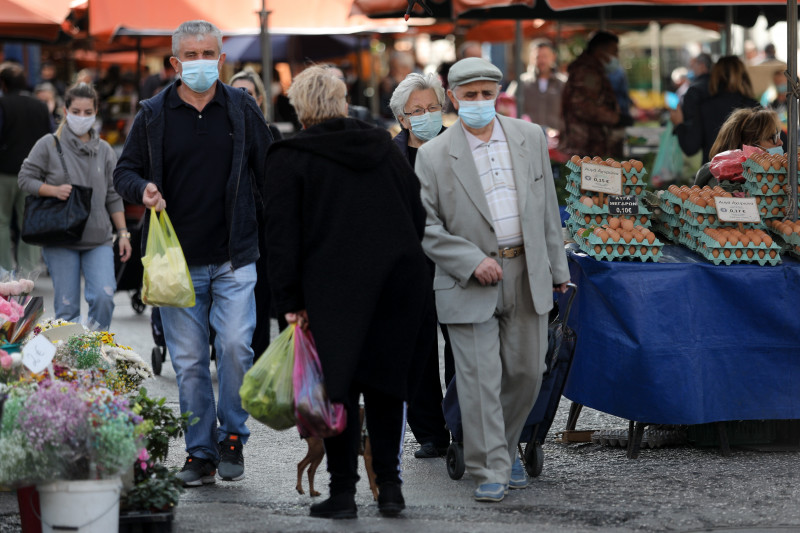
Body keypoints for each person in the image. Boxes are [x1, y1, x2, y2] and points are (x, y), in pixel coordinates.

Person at [265, 65, 435, 519]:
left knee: (337, 390)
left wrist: (289, 302)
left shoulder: (289, 156)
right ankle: (391, 488)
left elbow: (281, 238)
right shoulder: (381, 145)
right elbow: (416, 212)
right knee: (386, 387)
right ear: (342, 103)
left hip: (330, 292)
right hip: (398, 282)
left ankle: (342, 493)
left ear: (300, 108)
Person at [113, 19, 273, 487]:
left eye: (208, 54)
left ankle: (232, 436)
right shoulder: (154, 113)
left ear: (220, 59)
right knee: (188, 363)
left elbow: (271, 169)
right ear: (175, 63)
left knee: (236, 347)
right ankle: (200, 451)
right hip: (175, 262)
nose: (200, 63)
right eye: (191, 55)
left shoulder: (241, 107)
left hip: (233, 255)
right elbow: (124, 172)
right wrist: (142, 189)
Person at [415, 57, 570, 503]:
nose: (479, 102)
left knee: (527, 372)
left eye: (487, 94)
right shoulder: (433, 155)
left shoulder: (529, 136)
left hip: (526, 271)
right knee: (479, 379)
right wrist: (469, 260)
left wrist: (558, 269)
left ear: (499, 93)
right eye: (470, 95)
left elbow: (546, 207)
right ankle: (492, 467)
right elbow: (423, 225)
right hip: (468, 280)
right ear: (453, 97)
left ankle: (502, 446)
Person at [17, 83, 131, 329]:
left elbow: (113, 194)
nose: (82, 117)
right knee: (67, 309)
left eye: (87, 112)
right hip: (60, 237)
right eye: (76, 111)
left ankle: (96, 346)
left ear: (96, 111)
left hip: (98, 238)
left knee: (104, 297)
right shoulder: (49, 144)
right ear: (65, 111)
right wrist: (52, 190)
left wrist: (123, 233)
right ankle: (71, 353)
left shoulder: (104, 150)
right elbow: (25, 178)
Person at [388, 72, 453, 460]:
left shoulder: (457, 148)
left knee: (462, 344)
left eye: (433, 107)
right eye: (418, 110)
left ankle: (463, 422)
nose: (427, 115)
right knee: (417, 349)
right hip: (411, 264)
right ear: (402, 118)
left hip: (456, 259)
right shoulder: (390, 157)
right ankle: (430, 431)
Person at [229, 67, 285, 358]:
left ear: (260, 99)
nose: (242, 98)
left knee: (261, 295)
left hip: (261, 226)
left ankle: (258, 356)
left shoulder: (271, 133)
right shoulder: (223, 132)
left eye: (248, 93)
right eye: (236, 91)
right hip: (230, 227)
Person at [0, 62, 52, 275]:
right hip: (34, 176)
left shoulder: (2, 104)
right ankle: (27, 273)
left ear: (3, 84)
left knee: (1, 222)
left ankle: (3, 272)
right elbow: (50, 139)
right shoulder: (40, 106)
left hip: (4, 172)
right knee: (29, 223)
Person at [670, 56, 760, 164]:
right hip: (749, 170)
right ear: (744, 76)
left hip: (714, 170)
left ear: (715, 76)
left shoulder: (706, 107)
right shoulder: (755, 107)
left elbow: (690, 147)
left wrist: (679, 124)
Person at [560, 31, 622, 158]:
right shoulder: (586, 72)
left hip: (591, 143)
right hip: (584, 145)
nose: (616, 56)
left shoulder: (594, 70)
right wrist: (614, 118)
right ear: (600, 51)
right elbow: (582, 105)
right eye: (614, 51)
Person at [694, 108, 783, 187]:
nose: (780, 142)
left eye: (778, 135)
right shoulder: (720, 184)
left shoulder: (774, 181)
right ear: (749, 146)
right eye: (772, 138)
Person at [671, 53, 712, 157]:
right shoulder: (720, 87)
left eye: (693, 65)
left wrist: (679, 124)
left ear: (702, 65)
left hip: (708, 155)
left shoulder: (695, 91)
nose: (692, 69)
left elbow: (691, 146)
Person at [521, 41, 566, 133]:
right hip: (528, 137)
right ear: (531, 58)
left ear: (553, 57)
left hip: (556, 138)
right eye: (538, 57)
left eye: (545, 56)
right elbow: (508, 108)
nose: (542, 61)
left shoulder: (562, 84)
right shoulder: (522, 83)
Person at [379, 51, 417, 120]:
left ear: (407, 69)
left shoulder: (416, 85)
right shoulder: (388, 85)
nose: (391, 72)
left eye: (394, 68)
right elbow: (385, 111)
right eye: (391, 67)